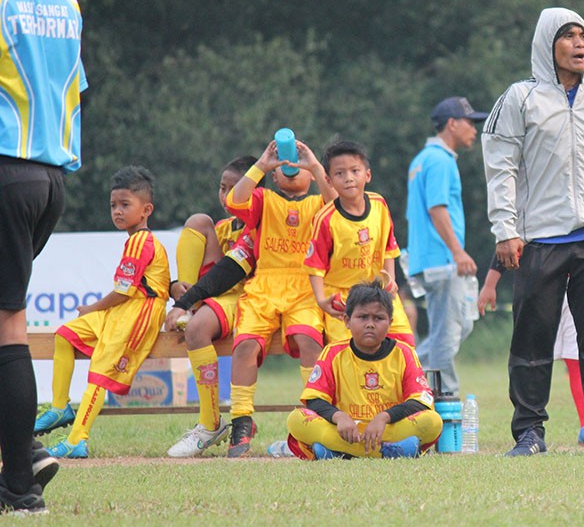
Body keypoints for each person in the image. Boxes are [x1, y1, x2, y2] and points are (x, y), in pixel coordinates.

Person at [483, 7, 584, 457]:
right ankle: (529, 433)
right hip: (540, 237)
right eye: (569, 37)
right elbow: (501, 170)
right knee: (532, 337)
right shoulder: (520, 99)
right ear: (546, 44)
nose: (580, 45)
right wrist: (505, 228)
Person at [0, 0, 84, 514]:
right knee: (8, 320)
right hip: (48, 177)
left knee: (8, 325)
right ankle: (20, 455)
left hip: (2, 167)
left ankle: (20, 477)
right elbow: (75, 89)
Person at [34, 167, 169, 459]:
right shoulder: (134, 240)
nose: (117, 211)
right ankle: (60, 407)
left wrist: (91, 308)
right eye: (113, 205)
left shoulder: (141, 242)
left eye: (125, 205)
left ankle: (76, 440)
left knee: (99, 376)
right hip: (124, 309)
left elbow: (124, 291)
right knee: (65, 335)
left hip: (139, 312)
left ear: (146, 210)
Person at [224, 135, 334, 457]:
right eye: (283, 165)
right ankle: (241, 420)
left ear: (312, 175)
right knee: (245, 344)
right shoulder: (263, 199)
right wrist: (260, 164)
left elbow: (340, 206)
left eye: (298, 165)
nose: (291, 168)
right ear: (273, 175)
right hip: (265, 284)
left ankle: (312, 416)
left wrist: (313, 163)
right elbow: (235, 201)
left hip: (305, 285)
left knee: (310, 342)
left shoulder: (318, 205)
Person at [162, 156, 257, 457]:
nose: (226, 196)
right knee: (198, 221)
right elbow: (216, 272)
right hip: (215, 294)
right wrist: (177, 289)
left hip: (249, 298)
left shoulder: (261, 227)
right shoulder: (223, 228)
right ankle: (187, 306)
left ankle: (209, 423)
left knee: (198, 328)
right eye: (222, 187)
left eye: (235, 189)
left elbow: (233, 272)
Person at [284, 282, 442, 460]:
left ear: (390, 323)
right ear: (347, 321)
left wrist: (384, 417)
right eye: (363, 317)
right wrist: (339, 417)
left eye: (378, 318)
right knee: (296, 420)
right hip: (345, 430)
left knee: (433, 421)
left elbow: (420, 400)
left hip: (387, 428)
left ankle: (339, 453)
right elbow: (314, 400)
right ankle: (390, 452)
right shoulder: (333, 353)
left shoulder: (404, 353)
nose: (370, 324)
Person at [406, 96, 488, 398]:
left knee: (456, 327)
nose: (474, 130)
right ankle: (445, 399)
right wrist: (457, 251)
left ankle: (409, 369)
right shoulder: (440, 161)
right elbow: (437, 209)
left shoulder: (422, 160)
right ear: (452, 124)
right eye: (470, 123)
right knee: (446, 335)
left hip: (427, 259)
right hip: (441, 258)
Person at [305, 141, 414, 347]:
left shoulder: (379, 204)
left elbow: (389, 248)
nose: (349, 178)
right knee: (347, 351)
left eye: (355, 171)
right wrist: (321, 300)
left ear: (367, 175)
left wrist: (389, 280)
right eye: (340, 173)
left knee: (405, 345)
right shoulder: (325, 219)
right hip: (343, 296)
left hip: (379, 291)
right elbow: (315, 266)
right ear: (328, 181)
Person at [478, 258, 584, 446]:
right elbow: (508, 243)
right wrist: (490, 284)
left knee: (575, 358)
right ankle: (530, 425)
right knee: (534, 355)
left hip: (578, 284)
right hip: (543, 283)